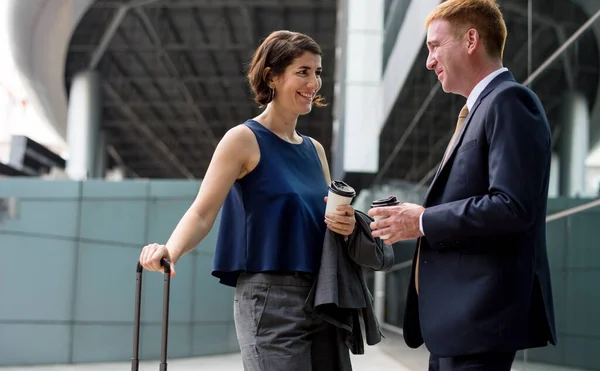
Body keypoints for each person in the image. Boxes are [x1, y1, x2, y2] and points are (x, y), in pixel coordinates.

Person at [139, 30, 358, 370]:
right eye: (303, 71)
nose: (314, 82)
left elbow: (324, 224)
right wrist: (172, 249)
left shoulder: (315, 150)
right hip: (270, 302)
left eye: (317, 72)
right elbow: (202, 211)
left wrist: (345, 224)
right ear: (272, 76)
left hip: (322, 297)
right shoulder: (243, 139)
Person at [368, 1, 557, 370]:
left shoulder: (510, 101)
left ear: (471, 39)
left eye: (434, 46)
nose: (429, 61)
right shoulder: (479, 110)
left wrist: (421, 220)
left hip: (479, 320)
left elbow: (512, 206)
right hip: (458, 327)